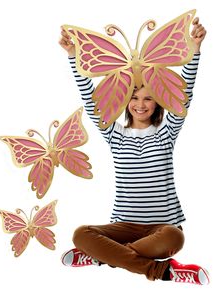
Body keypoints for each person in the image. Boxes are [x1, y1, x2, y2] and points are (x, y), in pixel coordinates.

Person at [59, 18, 209, 285]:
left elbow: (184, 94)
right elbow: (90, 101)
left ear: (158, 101)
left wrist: (195, 50)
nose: (140, 104)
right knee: (81, 234)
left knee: (177, 238)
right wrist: (73, 57)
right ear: (125, 100)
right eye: (134, 97)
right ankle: (161, 271)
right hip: (123, 226)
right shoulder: (114, 135)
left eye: (148, 97)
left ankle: (102, 257)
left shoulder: (166, 132)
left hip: (162, 229)